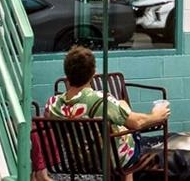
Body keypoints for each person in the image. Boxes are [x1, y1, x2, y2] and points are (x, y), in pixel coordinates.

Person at [44, 46, 170, 178]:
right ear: (93, 73)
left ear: (67, 75)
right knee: (129, 135)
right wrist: (156, 115)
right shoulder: (101, 101)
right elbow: (137, 123)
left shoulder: (52, 104)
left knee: (121, 108)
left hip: (76, 161)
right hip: (109, 160)